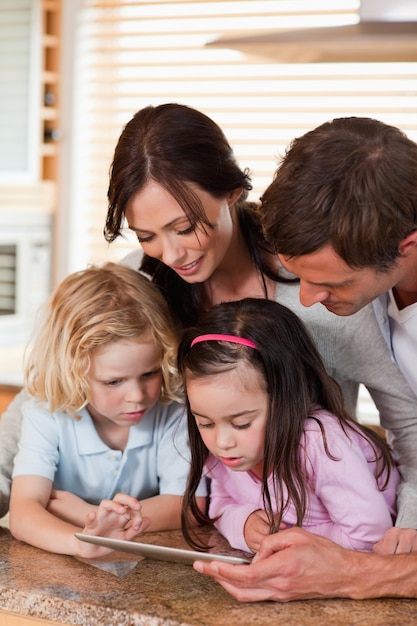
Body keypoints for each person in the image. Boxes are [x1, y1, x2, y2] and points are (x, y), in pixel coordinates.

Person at [1, 105, 417, 541]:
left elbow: (408, 425)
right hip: (210, 521)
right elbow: (47, 389)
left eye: (184, 227)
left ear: (232, 192)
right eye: (147, 236)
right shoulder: (142, 282)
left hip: (318, 525)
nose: (171, 253)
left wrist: (408, 529)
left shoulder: (325, 291)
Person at [192, 116, 417, 601]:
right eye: (298, 276)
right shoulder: (372, 288)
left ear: (408, 247)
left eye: (331, 283)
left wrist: (357, 573)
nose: (309, 299)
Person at [9, 262, 206, 557]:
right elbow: (23, 513)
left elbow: (190, 507)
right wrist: (83, 542)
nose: (137, 396)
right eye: (113, 381)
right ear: (72, 372)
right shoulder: (46, 412)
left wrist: (85, 514)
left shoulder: (173, 408)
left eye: (150, 374)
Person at [178, 298, 399, 556]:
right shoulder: (224, 452)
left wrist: (286, 540)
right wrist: (244, 524)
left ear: (285, 398)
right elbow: (220, 504)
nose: (221, 442)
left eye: (242, 423)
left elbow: (372, 538)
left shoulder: (322, 444)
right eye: (205, 422)